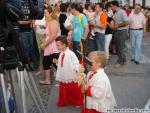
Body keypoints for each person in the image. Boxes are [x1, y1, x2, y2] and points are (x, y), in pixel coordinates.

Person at [55, 36, 83, 107]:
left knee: (73, 89)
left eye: (58, 45)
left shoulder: (70, 53)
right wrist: (57, 62)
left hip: (70, 74)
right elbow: (62, 62)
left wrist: (77, 70)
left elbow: (76, 62)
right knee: (65, 89)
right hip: (63, 74)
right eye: (56, 45)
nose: (57, 47)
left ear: (64, 45)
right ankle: (66, 100)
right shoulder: (61, 53)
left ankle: (77, 102)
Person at [40, 6, 60, 85]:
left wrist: (44, 43)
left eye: (45, 13)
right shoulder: (49, 22)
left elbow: (53, 36)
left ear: (51, 13)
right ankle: (47, 80)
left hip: (54, 47)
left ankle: (63, 81)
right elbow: (49, 34)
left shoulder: (53, 22)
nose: (44, 14)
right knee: (46, 63)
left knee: (56, 65)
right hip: (49, 47)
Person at [110, 1, 129, 68]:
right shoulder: (115, 13)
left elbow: (127, 22)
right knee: (117, 47)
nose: (111, 7)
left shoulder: (122, 12)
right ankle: (123, 59)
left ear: (115, 6)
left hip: (121, 31)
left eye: (111, 6)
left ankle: (120, 62)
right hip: (117, 31)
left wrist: (118, 25)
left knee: (120, 47)